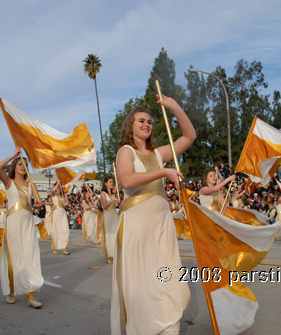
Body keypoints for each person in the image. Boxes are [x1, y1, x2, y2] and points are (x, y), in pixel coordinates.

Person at [112, 95, 195, 334]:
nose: (147, 124)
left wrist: (176, 108)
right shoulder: (125, 152)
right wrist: (163, 172)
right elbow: (127, 180)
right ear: (131, 125)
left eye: (149, 121)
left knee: (169, 280)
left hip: (161, 224)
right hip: (137, 225)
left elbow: (189, 137)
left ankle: (167, 325)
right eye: (141, 121)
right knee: (143, 284)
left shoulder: (158, 154)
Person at [0, 148, 44, 308]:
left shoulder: (31, 185)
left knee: (29, 256)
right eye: (19, 164)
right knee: (14, 257)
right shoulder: (9, 183)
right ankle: (10, 290)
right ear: (14, 167)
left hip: (28, 224)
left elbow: (38, 202)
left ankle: (31, 296)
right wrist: (14, 155)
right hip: (14, 224)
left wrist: (39, 203)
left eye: (24, 164)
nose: (22, 167)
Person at [49, 181, 70, 255]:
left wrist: (66, 195)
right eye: (58, 186)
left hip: (62, 213)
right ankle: (54, 248)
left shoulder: (62, 195)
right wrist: (57, 183)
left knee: (64, 230)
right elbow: (52, 191)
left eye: (60, 186)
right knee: (56, 230)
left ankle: (64, 249)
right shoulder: (53, 194)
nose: (59, 187)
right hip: (56, 213)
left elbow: (66, 202)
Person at [100, 177, 119, 264]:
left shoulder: (112, 193)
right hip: (107, 216)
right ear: (105, 183)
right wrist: (113, 200)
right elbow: (104, 205)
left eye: (112, 182)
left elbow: (118, 183)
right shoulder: (103, 193)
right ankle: (108, 256)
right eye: (110, 182)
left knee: (115, 235)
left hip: (114, 215)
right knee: (108, 235)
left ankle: (115, 253)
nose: (112, 183)